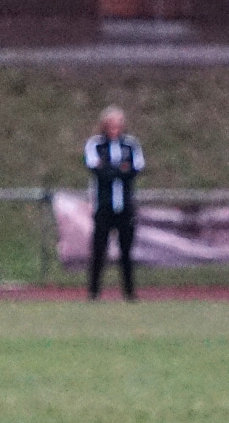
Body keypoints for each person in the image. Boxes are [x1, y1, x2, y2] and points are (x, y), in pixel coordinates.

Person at [84, 106, 143, 302]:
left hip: (125, 207)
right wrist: (120, 169)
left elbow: (135, 169)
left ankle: (129, 293)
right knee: (98, 250)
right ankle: (93, 293)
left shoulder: (131, 144)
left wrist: (112, 169)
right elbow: (97, 169)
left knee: (126, 251)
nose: (114, 129)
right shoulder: (95, 144)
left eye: (117, 125)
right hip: (103, 206)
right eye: (111, 125)